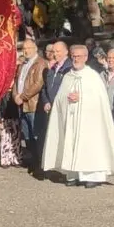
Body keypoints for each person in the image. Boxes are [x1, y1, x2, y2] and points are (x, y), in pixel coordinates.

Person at [42, 45, 114, 188]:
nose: (76, 59)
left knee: (89, 146)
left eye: (79, 56)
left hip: (89, 122)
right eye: (73, 56)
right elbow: (59, 99)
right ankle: (73, 174)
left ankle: (92, 176)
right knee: (70, 143)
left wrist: (82, 97)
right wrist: (67, 98)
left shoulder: (92, 76)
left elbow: (100, 100)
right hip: (71, 119)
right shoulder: (68, 76)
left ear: (86, 57)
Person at [36, 41, 72, 175]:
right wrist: (46, 101)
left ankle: (65, 169)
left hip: (63, 108)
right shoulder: (52, 68)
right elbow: (45, 87)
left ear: (66, 52)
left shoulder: (69, 68)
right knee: (52, 138)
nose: (55, 54)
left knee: (64, 138)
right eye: (54, 52)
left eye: (58, 51)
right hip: (50, 109)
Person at [14, 39, 46, 167]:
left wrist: (23, 96)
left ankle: (40, 162)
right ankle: (32, 160)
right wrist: (15, 95)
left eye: (28, 48)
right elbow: (17, 81)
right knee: (27, 135)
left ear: (35, 48)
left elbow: (38, 84)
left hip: (33, 104)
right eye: (24, 49)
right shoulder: (23, 64)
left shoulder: (40, 63)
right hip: (22, 105)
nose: (26, 51)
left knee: (36, 135)